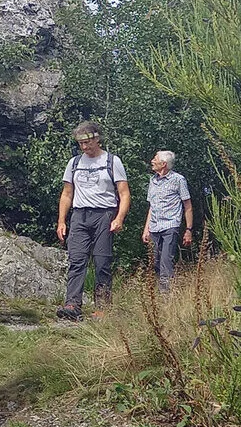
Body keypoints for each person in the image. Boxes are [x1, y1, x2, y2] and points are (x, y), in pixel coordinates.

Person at [55, 121, 130, 321]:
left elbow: (124, 193)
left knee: (102, 261)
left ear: (97, 139)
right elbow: (67, 194)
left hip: (104, 214)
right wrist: (62, 221)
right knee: (76, 260)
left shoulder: (112, 161)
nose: (84, 147)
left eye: (88, 142)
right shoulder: (74, 163)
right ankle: (72, 304)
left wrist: (119, 218)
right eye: (80, 143)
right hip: (79, 215)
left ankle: (103, 308)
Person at [142, 150, 193, 290]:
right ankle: (161, 291)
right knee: (155, 262)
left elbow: (187, 205)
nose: (152, 161)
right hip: (154, 227)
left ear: (163, 164)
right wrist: (146, 229)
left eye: (155, 159)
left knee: (166, 261)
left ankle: (166, 297)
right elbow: (151, 207)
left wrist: (188, 229)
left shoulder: (178, 180)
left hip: (170, 225)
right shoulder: (152, 180)